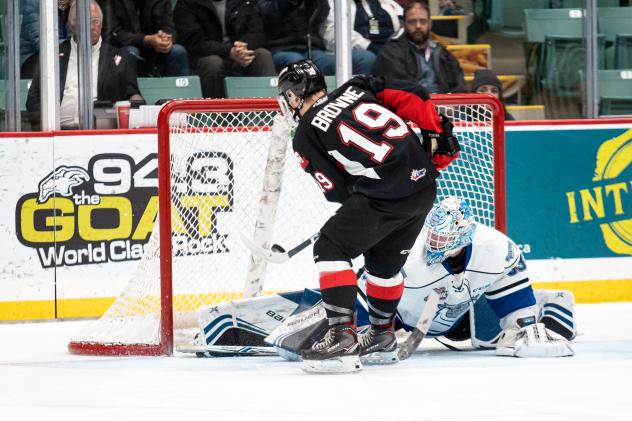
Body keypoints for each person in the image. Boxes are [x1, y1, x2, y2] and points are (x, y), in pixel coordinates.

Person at [191, 197, 575, 360]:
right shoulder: (410, 253)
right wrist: (358, 329)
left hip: (463, 319)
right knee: (313, 333)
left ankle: (552, 306)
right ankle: (234, 323)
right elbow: (362, 296)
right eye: (435, 236)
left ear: (465, 235)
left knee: (525, 327)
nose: (438, 245)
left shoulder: (497, 249)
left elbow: (516, 307)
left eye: (447, 240)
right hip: (396, 318)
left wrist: (526, 326)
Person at [274, 59, 460, 373]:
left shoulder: (304, 134)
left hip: (385, 192)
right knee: (383, 264)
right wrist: (435, 131)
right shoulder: (357, 87)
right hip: (424, 187)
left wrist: (364, 200)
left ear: (293, 95)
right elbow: (413, 93)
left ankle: (341, 339)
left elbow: (336, 190)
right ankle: (382, 337)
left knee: (331, 248)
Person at [26, 0, 143, 130]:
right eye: (86, 21)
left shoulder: (120, 59)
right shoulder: (52, 56)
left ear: (101, 24)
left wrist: (135, 99)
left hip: (102, 134)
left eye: (95, 21)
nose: (92, 27)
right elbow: (33, 98)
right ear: (72, 25)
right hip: (57, 132)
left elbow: (133, 96)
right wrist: (45, 130)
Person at [173, 0, 276, 98]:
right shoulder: (187, 3)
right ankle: (215, 114)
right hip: (205, 57)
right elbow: (193, 41)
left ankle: (271, 111)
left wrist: (241, 49)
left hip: (239, 54)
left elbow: (258, 33)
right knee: (213, 63)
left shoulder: (244, 1)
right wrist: (229, 51)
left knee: (263, 55)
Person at [372, 0, 466, 94]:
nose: (418, 26)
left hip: (444, 106)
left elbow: (460, 87)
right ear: (404, 24)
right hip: (409, 105)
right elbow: (397, 89)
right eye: (412, 22)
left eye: (423, 21)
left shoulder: (443, 54)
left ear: (430, 24)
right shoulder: (390, 53)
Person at [257, 0, 371, 75]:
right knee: (298, 64)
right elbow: (264, 11)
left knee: (333, 63)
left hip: (313, 48)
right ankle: (304, 110)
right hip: (281, 48)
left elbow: (323, 14)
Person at [107, 0, 189, 77]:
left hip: (155, 51)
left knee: (178, 51)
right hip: (121, 50)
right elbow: (113, 34)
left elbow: (169, 26)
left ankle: (177, 91)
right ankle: (130, 92)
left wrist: (165, 39)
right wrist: (146, 40)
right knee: (130, 52)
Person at [320, 0, 404, 75]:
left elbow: (406, 24)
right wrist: (369, 46)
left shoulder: (387, 3)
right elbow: (331, 32)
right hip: (358, 51)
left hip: (389, 49)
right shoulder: (336, 3)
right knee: (367, 58)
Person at [20, 0, 73, 79]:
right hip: (33, 55)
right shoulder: (34, 2)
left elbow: (75, 36)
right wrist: (67, 49)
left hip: (64, 53)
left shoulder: (75, 4)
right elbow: (39, 40)